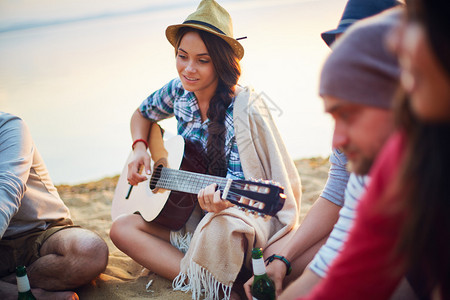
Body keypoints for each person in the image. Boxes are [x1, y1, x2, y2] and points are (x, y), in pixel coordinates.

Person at [109, 1, 301, 299]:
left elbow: (246, 206)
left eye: (202, 60)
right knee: (120, 228)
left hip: (224, 220)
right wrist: (139, 148)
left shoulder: (241, 112)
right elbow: (141, 114)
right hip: (185, 216)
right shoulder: (178, 91)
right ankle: (212, 281)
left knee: (220, 227)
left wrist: (222, 205)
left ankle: (217, 285)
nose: (188, 69)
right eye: (182, 56)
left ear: (221, 63)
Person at [244, 1, 401, 299]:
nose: (337, 139)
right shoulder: (356, 124)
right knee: (273, 254)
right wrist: (283, 260)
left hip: (400, 253)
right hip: (368, 230)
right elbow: (339, 192)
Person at [296, 0, 450, 298]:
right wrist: (282, 258)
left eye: (419, 17)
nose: (394, 39)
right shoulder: (403, 157)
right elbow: (344, 274)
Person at [0, 112, 109, 300]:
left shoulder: (9, 126)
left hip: (42, 233)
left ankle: (12, 287)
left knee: (90, 251)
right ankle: (22, 293)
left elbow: (8, 189)